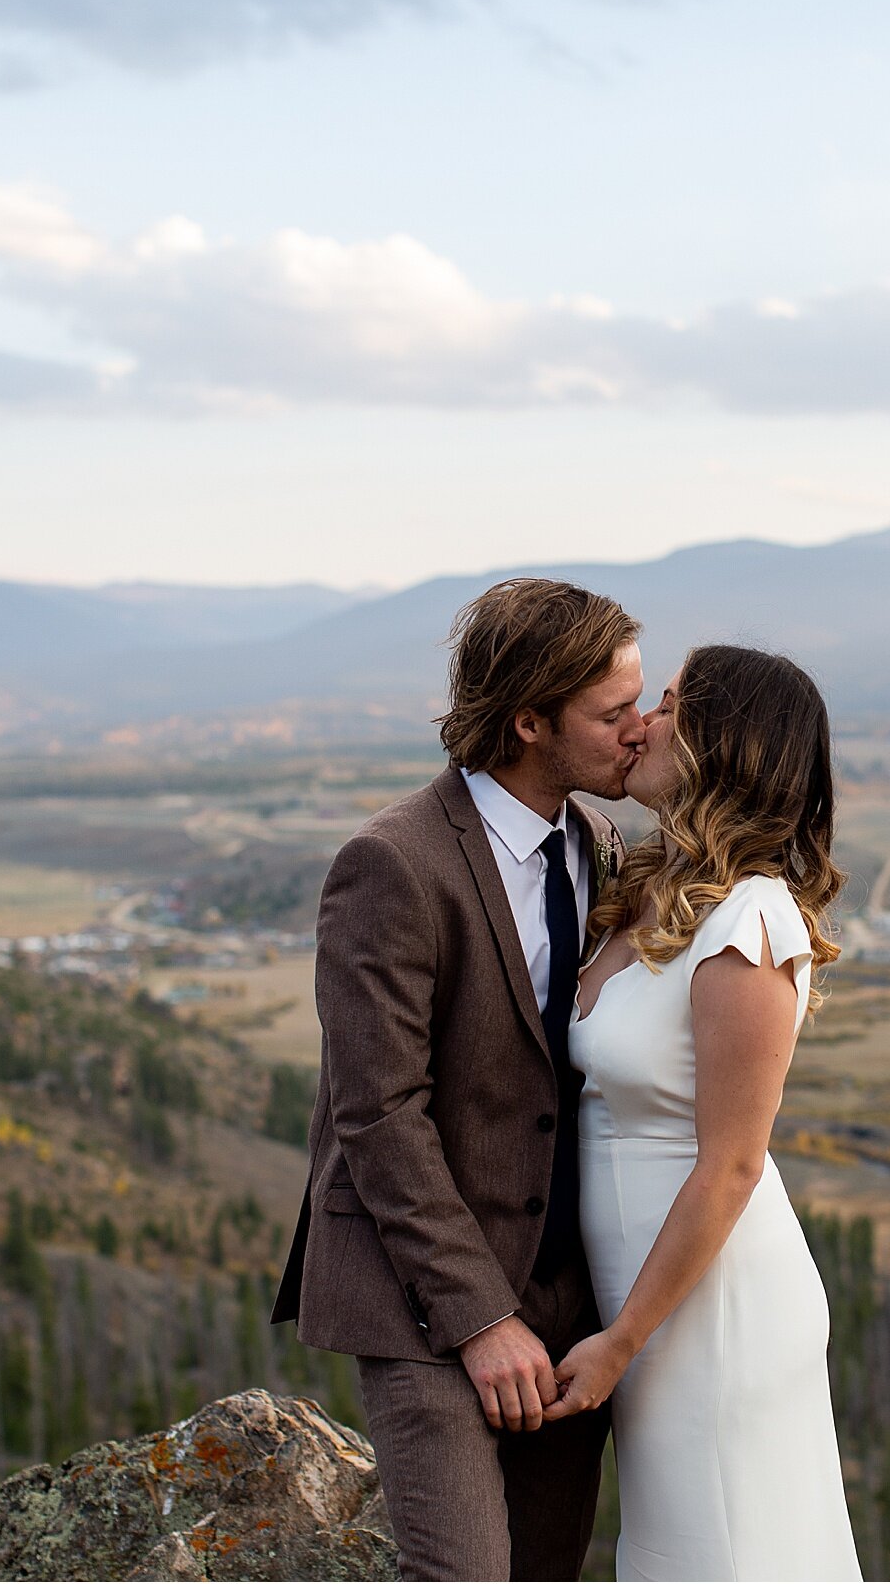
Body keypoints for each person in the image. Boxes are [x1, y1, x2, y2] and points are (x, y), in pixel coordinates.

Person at [273, 579, 647, 1582]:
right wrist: (482, 1318)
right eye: (614, 714)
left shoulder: (595, 843)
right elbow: (377, 1112)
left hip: (567, 1300)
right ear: (528, 719)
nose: (639, 732)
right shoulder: (391, 864)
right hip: (422, 1294)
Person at [550, 644, 861, 1583]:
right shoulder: (643, 891)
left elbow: (731, 1165)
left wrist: (619, 1342)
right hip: (644, 1302)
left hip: (710, 1308)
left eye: (671, 706)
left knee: (724, 1551)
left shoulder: (751, 923)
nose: (640, 722)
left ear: (724, 744)